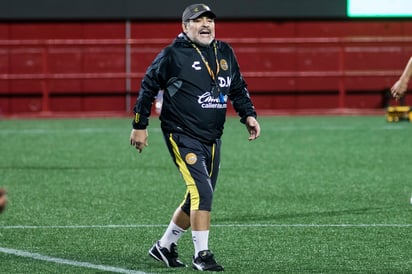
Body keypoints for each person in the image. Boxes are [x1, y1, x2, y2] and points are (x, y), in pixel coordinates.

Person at [129, 3, 260, 272]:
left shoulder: (224, 51)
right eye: (198, 20)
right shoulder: (172, 55)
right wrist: (140, 125)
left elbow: (237, 86)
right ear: (184, 26)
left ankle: (164, 246)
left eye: (209, 20)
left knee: (197, 196)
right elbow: (148, 87)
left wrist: (248, 115)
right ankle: (202, 254)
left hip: (212, 136)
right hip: (181, 133)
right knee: (203, 192)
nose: (205, 25)